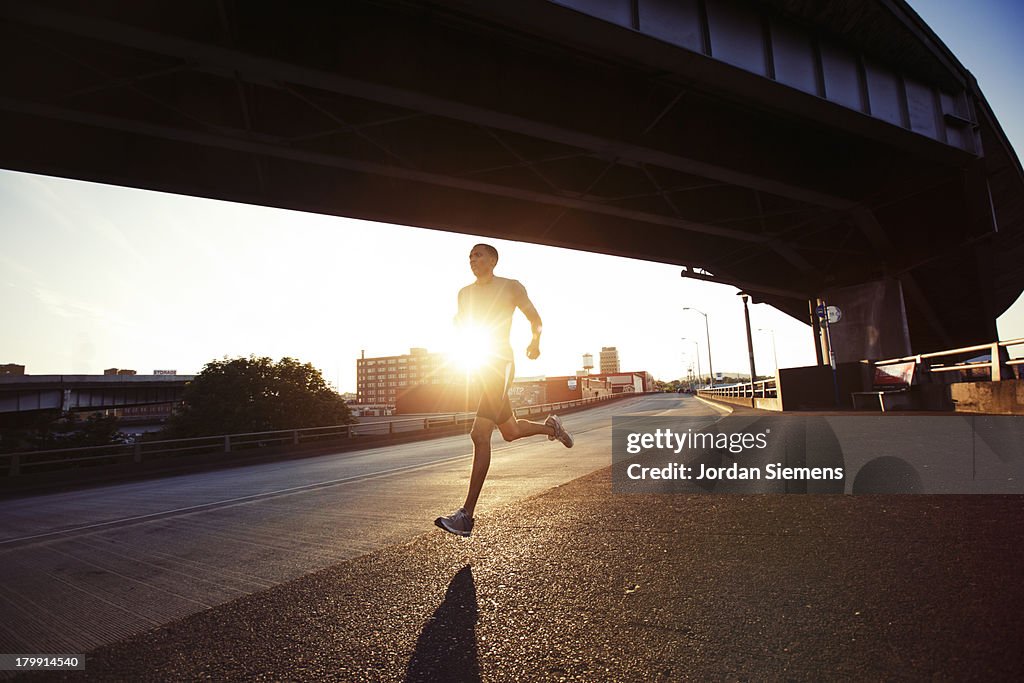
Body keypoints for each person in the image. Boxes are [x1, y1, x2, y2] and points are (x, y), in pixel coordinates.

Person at [435, 243, 574, 537]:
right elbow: (463, 324)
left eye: (478, 254)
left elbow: (535, 319)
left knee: (479, 433)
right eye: (470, 256)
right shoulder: (465, 293)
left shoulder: (511, 286)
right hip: (480, 365)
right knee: (509, 431)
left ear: (493, 260)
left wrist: (535, 342)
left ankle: (466, 516)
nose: (472, 259)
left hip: (501, 363)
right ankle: (551, 428)